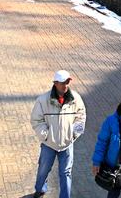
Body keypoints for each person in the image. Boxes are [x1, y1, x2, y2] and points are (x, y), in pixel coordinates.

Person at [31, 70, 87, 198]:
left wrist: (74, 134)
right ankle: (40, 189)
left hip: (67, 144)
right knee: (43, 170)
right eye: (62, 83)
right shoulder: (43, 100)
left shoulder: (76, 99)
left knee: (66, 173)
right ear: (55, 83)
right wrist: (46, 136)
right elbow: (36, 120)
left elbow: (81, 117)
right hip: (48, 144)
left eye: (67, 82)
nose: (65, 85)